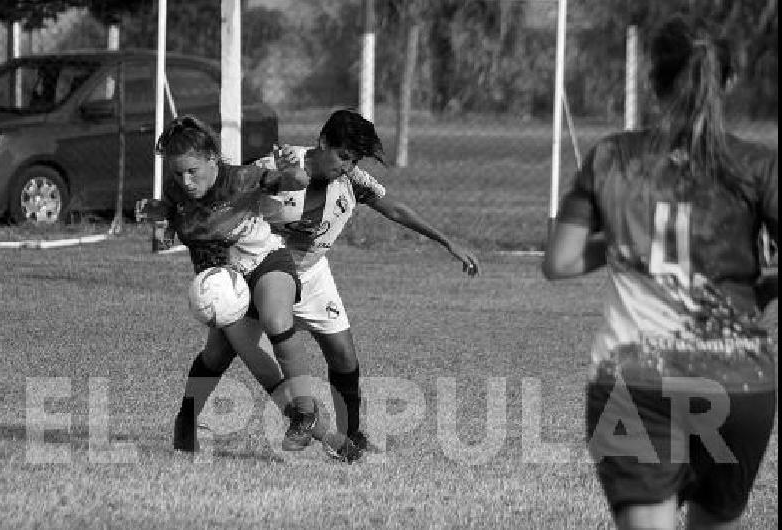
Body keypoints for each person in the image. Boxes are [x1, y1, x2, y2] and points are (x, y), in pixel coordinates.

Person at [543, 15, 777, 530]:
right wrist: (760, 289)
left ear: (653, 83)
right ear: (729, 83)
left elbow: (559, 263)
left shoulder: (611, 157)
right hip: (737, 383)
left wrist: (630, 243)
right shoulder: (759, 166)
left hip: (635, 383)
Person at [183, 109, 480, 462]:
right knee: (218, 353)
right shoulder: (277, 167)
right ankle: (186, 425)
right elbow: (225, 198)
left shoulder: (352, 180)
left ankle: (352, 437)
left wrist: (447, 242)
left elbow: (395, 209)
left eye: (352, 159)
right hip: (261, 271)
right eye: (342, 156)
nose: (346, 166)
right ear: (322, 142)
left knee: (343, 353)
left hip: (311, 275)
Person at [137, 115, 323, 454]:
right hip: (223, 281)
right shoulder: (175, 192)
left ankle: (306, 413)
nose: (186, 180)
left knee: (276, 320)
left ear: (212, 159)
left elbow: (295, 180)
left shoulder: (240, 178)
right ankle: (186, 421)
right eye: (178, 173)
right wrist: (159, 214)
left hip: (266, 261)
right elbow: (167, 237)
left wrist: (290, 169)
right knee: (220, 353)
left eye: (193, 171)